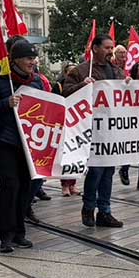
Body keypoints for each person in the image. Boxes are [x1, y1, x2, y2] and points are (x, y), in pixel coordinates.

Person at [0, 40, 46, 253]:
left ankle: (20, 233)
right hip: (6, 143)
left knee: (25, 190)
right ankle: (6, 236)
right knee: (10, 187)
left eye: (33, 58)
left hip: (29, 146)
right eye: (29, 58)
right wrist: (5, 104)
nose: (32, 62)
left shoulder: (36, 83)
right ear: (16, 60)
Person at [63, 34, 124, 228]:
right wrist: (82, 86)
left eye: (111, 47)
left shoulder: (116, 71)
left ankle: (104, 211)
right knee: (96, 171)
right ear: (95, 48)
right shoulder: (80, 71)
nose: (110, 51)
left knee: (108, 171)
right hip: (91, 130)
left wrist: (129, 85)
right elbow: (65, 93)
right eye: (106, 48)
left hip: (111, 130)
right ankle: (88, 208)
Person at [119, 62, 139, 191]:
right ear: (135, 71)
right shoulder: (129, 83)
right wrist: (128, 83)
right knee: (131, 148)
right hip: (132, 122)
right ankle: (124, 169)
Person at [56, 62, 82, 197]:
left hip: (77, 124)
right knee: (65, 155)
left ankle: (73, 183)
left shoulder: (81, 86)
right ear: (65, 74)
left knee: (75, 155)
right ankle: (65, 184)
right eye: (70, 72)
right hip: (63, 123)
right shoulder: (59, 86)